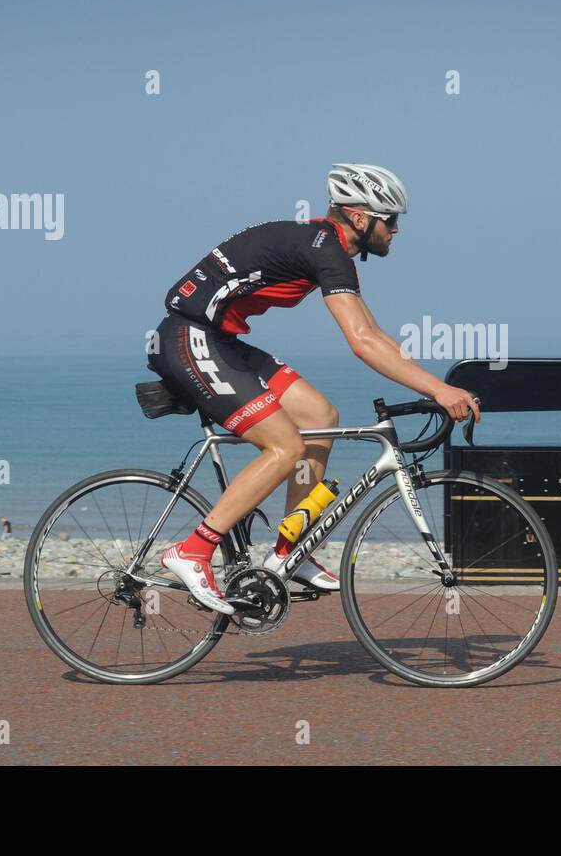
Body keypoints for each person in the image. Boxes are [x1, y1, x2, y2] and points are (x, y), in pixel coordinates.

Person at [147, 164, 481, 614]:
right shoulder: (325, 248)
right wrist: (440, 393)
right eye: (391, 219)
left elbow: (373, 333)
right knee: (283, 446)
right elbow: (362, 344)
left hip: (220, 340)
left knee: (320, 419)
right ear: (360, 218)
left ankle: (289, 551)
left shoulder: (326, 247)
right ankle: (192, 550)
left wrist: (438, 385)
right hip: (188, 337)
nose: (397, 230)